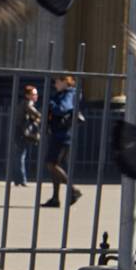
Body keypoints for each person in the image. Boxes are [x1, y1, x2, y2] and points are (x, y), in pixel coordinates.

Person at [42, 75, 82, 208]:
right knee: (54, 166)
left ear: (65, 82)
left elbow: (62, 109)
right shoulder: (65, 93)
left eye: (57, 82)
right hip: (60, 134)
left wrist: (51, 104)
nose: (55, 84)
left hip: (61, 135)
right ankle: (55, 198)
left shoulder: (69, 94)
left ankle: (73, 190)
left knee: (51, 164)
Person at [13, 84, 41, 187]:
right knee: (20, 156)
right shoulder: (28, 103)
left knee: (19, 156)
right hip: (21, 132)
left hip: (20, 131)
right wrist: (40, 117)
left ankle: (18, 180)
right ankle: (22, 180)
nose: (36, 96)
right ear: (28, 95)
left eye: (36, 94)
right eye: (34, 94)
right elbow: (36, 114)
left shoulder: (24, 103)